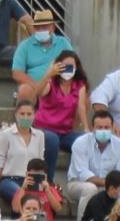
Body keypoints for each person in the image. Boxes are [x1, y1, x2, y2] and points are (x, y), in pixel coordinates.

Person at [65, 109, 120, 221]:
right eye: (99, 127)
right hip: (77, 184)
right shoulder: (80, 143)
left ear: (112, 128)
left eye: (107, 128)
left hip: (110, 186)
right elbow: (83, 174)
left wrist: (114, 186)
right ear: (92, 128)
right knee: (90, 188)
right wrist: (109, 184)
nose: (103, 131)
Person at [33, 49, 89, 183]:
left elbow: (81, 107)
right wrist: (48, 74)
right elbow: (38, 92)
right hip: (45, 128)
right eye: (64, 66)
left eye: (71, 67)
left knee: (85, 141)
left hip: (66, 132)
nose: (68, 70)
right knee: (52, 140)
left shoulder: (79, 86)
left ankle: (80, 179)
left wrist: (87, 129)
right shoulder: (51, 83)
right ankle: (49, 181)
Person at [0, 98, 45, 206]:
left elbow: (40, 162)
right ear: (16, 115)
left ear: (34, 115)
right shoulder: (6, 135)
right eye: (22, 114)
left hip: (32, 180)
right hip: (9, 180)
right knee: (23, 197)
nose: (25, 117)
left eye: (29, 114)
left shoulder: (40, 135)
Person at [11, 10, 73, 95]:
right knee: (24, 90)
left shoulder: (63, 43)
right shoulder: (25, 45)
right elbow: (17, 73)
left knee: (81, 90)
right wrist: (37, 87)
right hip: (33, 89)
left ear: (53, 27)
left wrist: (55, 85)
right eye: (37, 28)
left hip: (59, 87)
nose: (40, 30)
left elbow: (71, 67)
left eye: (44, 27)